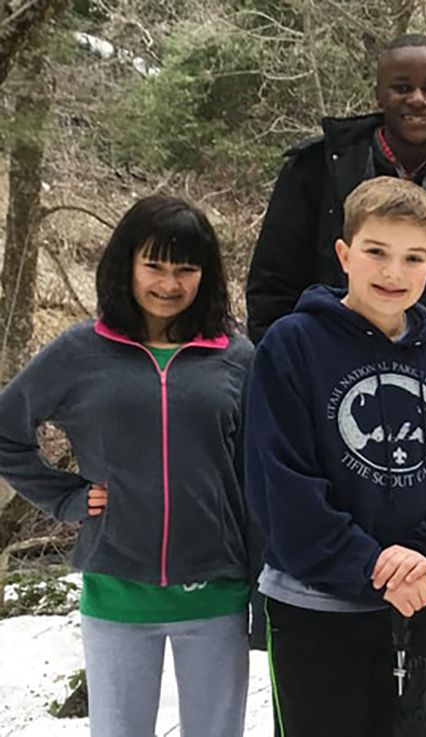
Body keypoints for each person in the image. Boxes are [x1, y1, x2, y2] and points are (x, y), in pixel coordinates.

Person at [243, 176, 426, 737]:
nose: (393, 272)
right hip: (316, 609)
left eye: (412, 258)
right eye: (376, 252)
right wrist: (369, 565)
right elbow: (280, 482)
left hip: (421, 605)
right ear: (344, 254)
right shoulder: (292, 346)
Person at [0, 196, 255, 737]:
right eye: (154, 265)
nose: (169, 283)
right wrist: (64, 497)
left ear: (206, 275)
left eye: (186, 268)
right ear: (127, 264)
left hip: (216, 593)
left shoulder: (235, 357)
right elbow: (6, 431)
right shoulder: (81, 352)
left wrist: (263, 570)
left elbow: (261, 470)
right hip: (116, 593)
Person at [245, 32, 426, 429]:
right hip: (326, 395)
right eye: (402, 87)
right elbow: (271, 288)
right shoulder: (317, 171)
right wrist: (290, 378)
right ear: (378, 93)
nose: (417, 99)